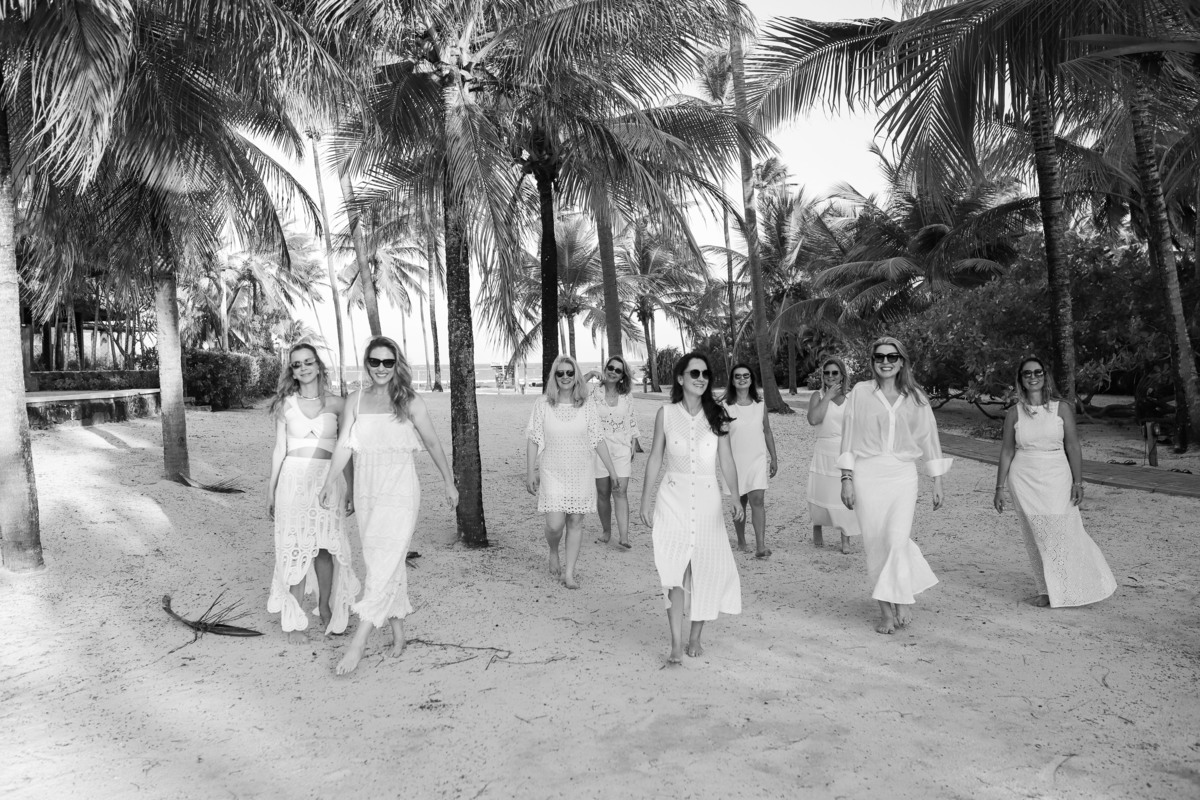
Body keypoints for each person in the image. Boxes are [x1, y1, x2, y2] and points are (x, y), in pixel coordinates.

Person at [319, 336, 458, 675]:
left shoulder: (409, 400)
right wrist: (329, 481)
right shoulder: (355, 400)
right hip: (367, 490)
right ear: (367, 363)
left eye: (388, 362)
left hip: (400, 491)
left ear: (397, 365)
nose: (381, 368)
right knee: (381, 561)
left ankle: (358, 644)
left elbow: (432, 442)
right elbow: (344, 445)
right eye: (375, 361)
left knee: (386, 561)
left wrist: (448, 481)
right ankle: (398, 633)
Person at [839, 337, 951, 635]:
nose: (885, 362)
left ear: (901, 361)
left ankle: (901, 597)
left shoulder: (916, 397)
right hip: (867, 474)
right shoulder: (860, 392)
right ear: (873, 361)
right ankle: (886, 611)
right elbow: (848, 437)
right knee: (876, 544)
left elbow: (929, 438)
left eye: (892, 357)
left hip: (902, 475)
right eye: (879, 357)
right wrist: (846, 479)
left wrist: (937, 481)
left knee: (896, 539)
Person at [639, 352, 744, 665]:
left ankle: (695, 636)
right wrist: (645, 499)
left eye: (705, 374)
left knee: (705, 568)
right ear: (680, 378)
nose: (701, 379)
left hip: (708, 499)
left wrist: (735, 496)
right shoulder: (666, 414)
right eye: (694, 373)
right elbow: (655, 457)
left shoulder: (718, 415)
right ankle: (675, 642)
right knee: (674, 569)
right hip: (673, 498)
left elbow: (726, 460)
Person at [994, 356, 1116, 607]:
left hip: (1058, 476)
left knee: (1064, 531)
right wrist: (999, 487)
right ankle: (1046, 590)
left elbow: (1073, 446)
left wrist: (1078, 482)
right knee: (1035, 536)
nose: (1033, 377)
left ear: (1045, 376)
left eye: (1037, 372)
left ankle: (1081, 584)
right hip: (1024, 479)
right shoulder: (1014, 413)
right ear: (1021, 380)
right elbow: (1007, 451)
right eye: (1027, 373)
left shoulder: (1061, 408)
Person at [266, 343, 360, 642]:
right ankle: (293, 619)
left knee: (325, 547)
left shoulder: (339, 404)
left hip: (326, 480)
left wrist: (351, 488)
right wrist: (271, 490)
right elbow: (279, 449)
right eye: (297, 364)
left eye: (308, 362)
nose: (304, 368)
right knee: (295, 547)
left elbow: (345, 450)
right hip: (292, 481)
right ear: (292, 372)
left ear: (318, 366)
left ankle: (325, 607)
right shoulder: (285, 405)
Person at [526, 354, 618, 589]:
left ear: (576, 376)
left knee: (576, 521)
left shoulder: (587, 405)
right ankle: (553, 550)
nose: (565, 377)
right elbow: (534, 439)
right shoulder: (542, 404)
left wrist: (612, 470)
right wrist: (530, 472)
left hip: (581, 472)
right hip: (552, 472)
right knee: (555, 525)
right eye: (560, 373)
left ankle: (569, 573)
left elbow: (598, 439)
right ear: (554, 377)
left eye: (570, 372)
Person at [583, 355, 641, 549]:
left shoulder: (626, 396)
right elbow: (572, 388)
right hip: (599, 447)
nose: (613, 372)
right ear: (605, 368)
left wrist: (634, 441)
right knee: (603, 492)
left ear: (622, 375)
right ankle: (606, 531)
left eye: (618, 370)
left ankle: (624, 537)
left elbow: (631, 420)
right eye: (611, 368)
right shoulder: (593, 393)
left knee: (620, 491)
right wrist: (590, 373)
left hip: (621, 447)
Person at [723, 363, 777, 557]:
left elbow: (767, 431)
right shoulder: (726, 406)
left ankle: (760, 546)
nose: (742, 379)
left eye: (746, 375)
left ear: (751, 379)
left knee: (758, 500)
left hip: (757, 459)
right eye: (738, 376)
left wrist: (774, 458)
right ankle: (741, 540)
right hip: (735, 461)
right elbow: (721, 437)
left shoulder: (760, 404)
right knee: (740, 501)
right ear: (732, 381)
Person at [807, 356, 860, 554]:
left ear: (842, 375)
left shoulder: (851, 398)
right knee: (821, 491)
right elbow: (814, 419)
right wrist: (828, 396)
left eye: (834, 373)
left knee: (845, 494)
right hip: (823, 448)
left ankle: (845, 538)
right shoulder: (818, 396)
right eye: (827, 373)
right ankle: (817, 525)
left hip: (844, 450)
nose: (830, 376)